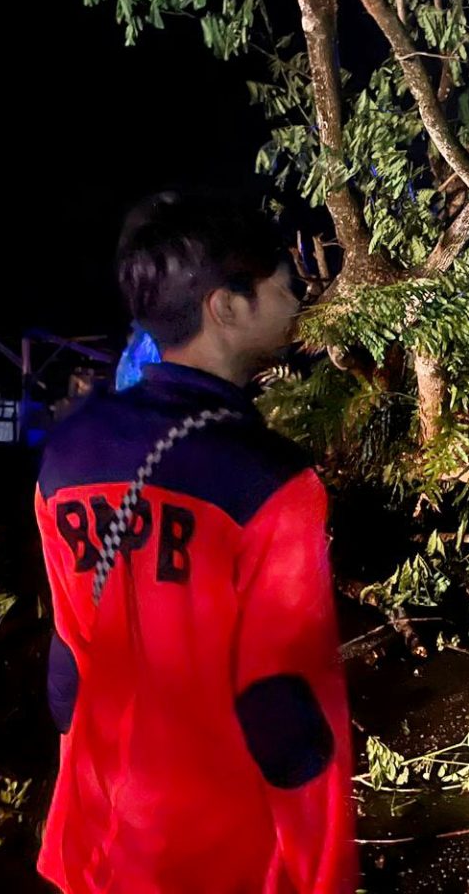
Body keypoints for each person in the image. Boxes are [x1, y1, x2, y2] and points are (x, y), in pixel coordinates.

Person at [33, 192, 357, 893]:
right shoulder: (272, 482)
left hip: (99, 838)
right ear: (227, 306)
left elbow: (68, 662)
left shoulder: (66, 456)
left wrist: (83, 810)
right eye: (281, 286)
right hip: (214, 851)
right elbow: (286, 708)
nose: (296, 300)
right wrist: (319, 874)